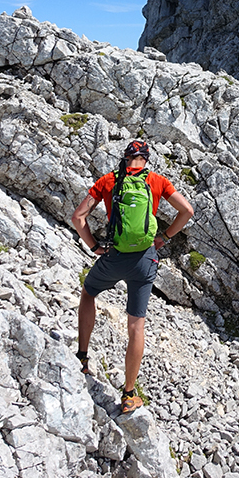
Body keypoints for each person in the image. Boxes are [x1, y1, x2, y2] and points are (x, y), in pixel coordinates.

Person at [71, 139, 194, 414]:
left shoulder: (109, 181)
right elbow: (187, 211)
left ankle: (82, 358)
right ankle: (128, 395)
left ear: (126, 158)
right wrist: (164, 237)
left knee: (89, 293)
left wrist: (94, 247)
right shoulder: (157, 181)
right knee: (136, 325)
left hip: (115, 256)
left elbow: (78, 217)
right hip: (145, 260)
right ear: (146, 159)